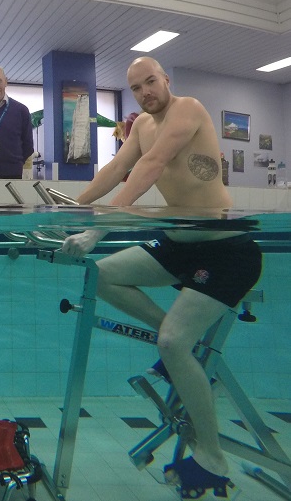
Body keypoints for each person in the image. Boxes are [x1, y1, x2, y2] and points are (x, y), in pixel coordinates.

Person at [61, 57, 262, 498]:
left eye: (151, 82)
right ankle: (174, 351)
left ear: (166, 80)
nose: (146, 91)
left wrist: (99, 227)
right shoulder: (139, 127)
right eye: (136, 87)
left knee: (173, 343)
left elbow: (150, 166)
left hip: (227, 251)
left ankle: (212, 457)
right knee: (101, 275)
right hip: (178, 247)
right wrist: (70, 211)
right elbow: (116, 170)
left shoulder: (187, 108)